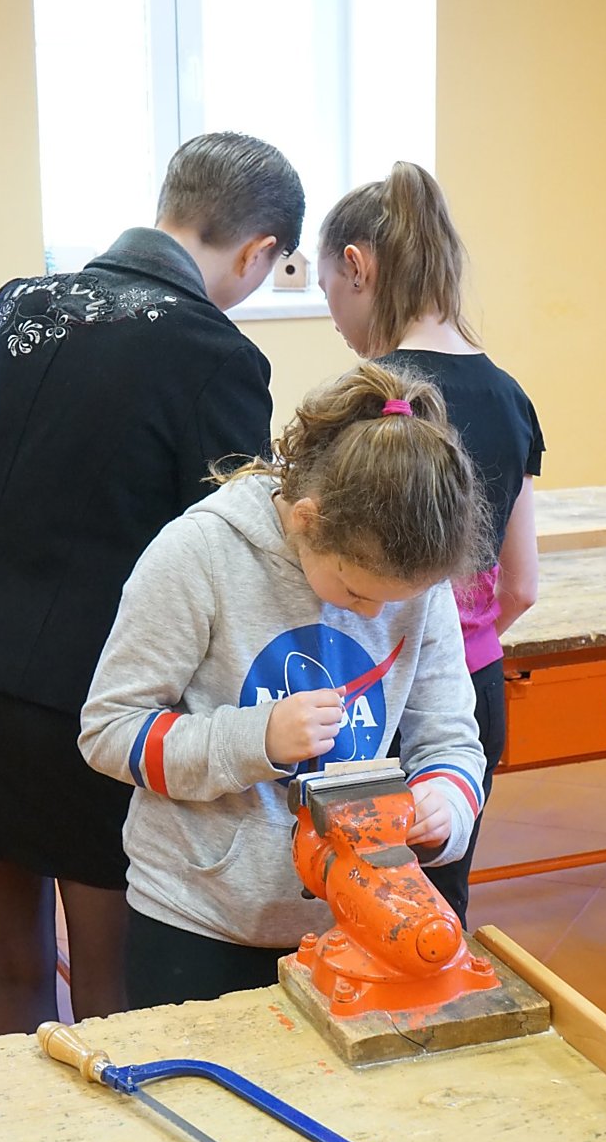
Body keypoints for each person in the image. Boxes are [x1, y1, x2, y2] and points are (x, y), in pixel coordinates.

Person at [0, 132, 304, 1036]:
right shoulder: (216, 353)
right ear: (260, 251)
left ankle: (27, 1131)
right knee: (115, 989)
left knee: (15, 968)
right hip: (80, 698)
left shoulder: (19, 301)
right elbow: (229, 549)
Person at [79, 362, 488, 1008]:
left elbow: (451, 739)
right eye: (355, 590)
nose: (376, 615)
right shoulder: (199, 554)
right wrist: (257, 738)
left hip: (357, 921)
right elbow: (109, 732)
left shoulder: (415, 578)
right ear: (305, 519)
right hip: (202, 918)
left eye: (398, 600)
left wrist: (447, 803)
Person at [318, 162, 545, 927]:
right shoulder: (511, 396)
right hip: (471, 695)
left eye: (329, 293)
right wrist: (461, 641)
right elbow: (521, 586)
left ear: (358, 268)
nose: (336, 321)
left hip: (375, 697)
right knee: (437, 911)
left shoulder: (369, 402)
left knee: (358, 907)